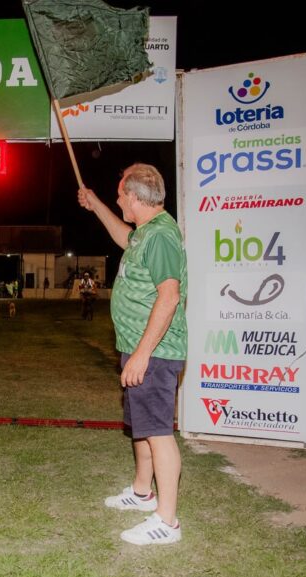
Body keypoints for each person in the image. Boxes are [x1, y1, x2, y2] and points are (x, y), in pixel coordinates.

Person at [78, 163, 187, 545]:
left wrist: (142, 353)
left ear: (137, 198)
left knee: (158, 431)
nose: (118, 198)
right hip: (138, 349)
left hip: (153, 352)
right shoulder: (145, 232)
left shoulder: (160, 237)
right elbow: (124, 237)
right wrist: (95, 206)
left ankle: (167, 521)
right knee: (142, 425)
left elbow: (169, 296)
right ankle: (143, 492)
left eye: (121, 194)